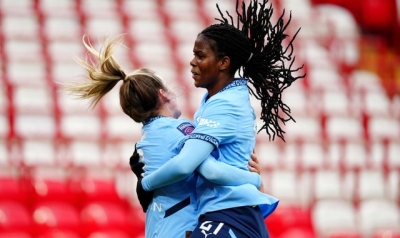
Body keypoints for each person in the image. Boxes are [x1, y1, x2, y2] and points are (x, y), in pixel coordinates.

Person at [65, 35, 266, 238]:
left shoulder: (145, 142)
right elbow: (208, 169)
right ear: (163, 94)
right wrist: (254, 179)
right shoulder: (180, 130)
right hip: (180, 228)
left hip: (156, 227)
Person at [138, 0, 305, 237]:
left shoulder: (226, 105)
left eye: (200, 55)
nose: (192, 61)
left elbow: (193, 165)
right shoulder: (216, 100)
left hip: (230, 213)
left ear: (224, 62)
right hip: (224, 214)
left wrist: (147, 183)